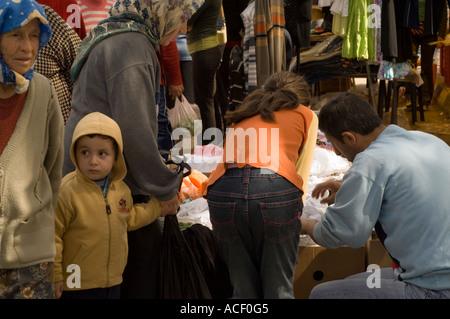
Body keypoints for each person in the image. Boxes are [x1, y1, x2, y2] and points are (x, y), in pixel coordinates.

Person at [64, 0, 204, 299]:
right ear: (164, 10)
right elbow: (136, 130)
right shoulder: (133, 46)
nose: (183, 28)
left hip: (92, 174)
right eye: (183, 18)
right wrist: (166, 189)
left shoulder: (121, 33)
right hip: (97, 180)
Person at [301, 92, 450, 299]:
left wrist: (305, 225)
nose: (336, 153)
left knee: (321, 294)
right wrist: (349, 188)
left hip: (433, 287)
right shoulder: (429, 141)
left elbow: (345, 234)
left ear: (349, 138)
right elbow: (405, 187)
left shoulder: (370, 162)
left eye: (335, 144)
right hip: (435, 274)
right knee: (350, 283)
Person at [206, 71, 315, 299]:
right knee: (278, 289)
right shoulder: (305, 114)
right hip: (274, 191)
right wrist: (294, 217)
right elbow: (300, 173)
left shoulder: (244, 114)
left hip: (222, 193)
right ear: (299, 99)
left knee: (242, 289)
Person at [54, 112, 170, 299]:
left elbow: (129, 218)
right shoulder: (67, 191)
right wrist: (56, 275)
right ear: (74, 152)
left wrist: (157, 207)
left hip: (113, 281)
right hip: (76, 284)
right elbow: (54, 235)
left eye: (102, 154)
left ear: (116, 158)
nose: (93, 161)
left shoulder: (121, 191)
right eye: (85, 152)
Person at [0, 0, 64, 299]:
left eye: (34, 35)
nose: (27, 47)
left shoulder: (43, 91)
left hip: (31, 256)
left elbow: (53, 168)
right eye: (15, 35)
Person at [35, 4, 82, 123]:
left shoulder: (45, 18)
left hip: (61, 133)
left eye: (33, 36)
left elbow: (83, 65)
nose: (26, 47)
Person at [187, 0, 223, 143]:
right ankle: (214, 144)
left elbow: (187, 22)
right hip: (205, 51)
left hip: (204, 51)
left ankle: (210, 146)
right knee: (207, 101)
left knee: (204, 102)